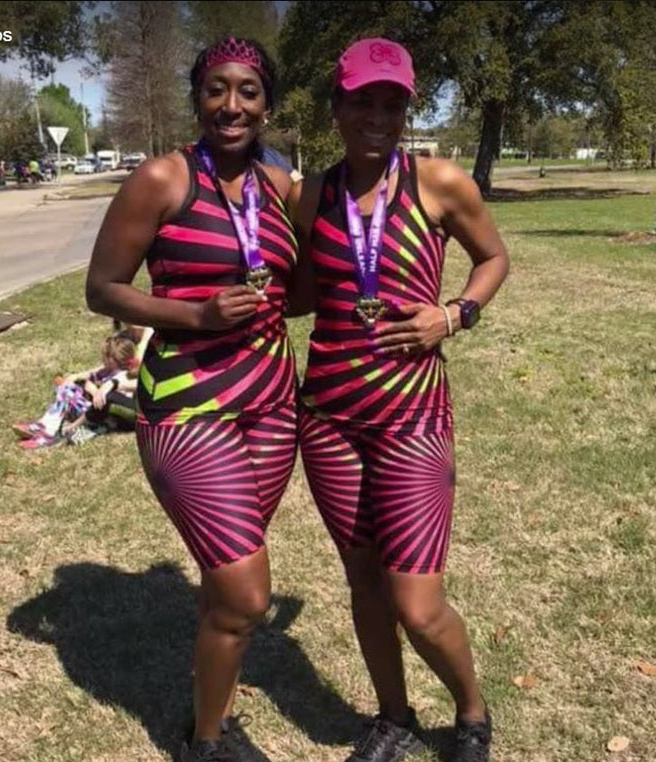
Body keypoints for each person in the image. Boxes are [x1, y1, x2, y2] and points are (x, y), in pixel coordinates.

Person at [287, 37, 509, 762]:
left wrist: (455, 314)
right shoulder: (315, 192)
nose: (377, 116)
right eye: (363, 101)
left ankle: (471, 712)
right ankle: (394, 716)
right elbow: (306, 292)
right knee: (364, 581)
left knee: (416, 601)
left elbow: (493, 258)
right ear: (338, 107)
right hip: (328, 420)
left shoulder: (440, 182)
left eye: (392, 103)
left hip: (412, 418)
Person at [84, 36, 299, 762]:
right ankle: (206, 742)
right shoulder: (162, 178)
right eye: (216, 89)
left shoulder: (279, 183)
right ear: (197, 97)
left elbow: (296, 284)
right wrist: (198, 316)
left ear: (267, 103)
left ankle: (212, 713)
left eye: (247, 91)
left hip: (272, 405)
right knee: (244, 595)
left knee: (223, 579)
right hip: (187, 406)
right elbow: (103, 289)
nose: (231, 105)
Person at [13, 329, 140, 449]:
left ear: (111, 360)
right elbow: (91, 373)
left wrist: (93, 390)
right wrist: (76, 376)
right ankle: (44, 425)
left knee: (67, 391)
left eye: (103, 357)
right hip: (91, 409)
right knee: (67, 385)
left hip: (101, 416)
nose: (101, 359)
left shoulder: (122, 377)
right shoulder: (107, 370)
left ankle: (47, 431)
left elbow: (109, 401)